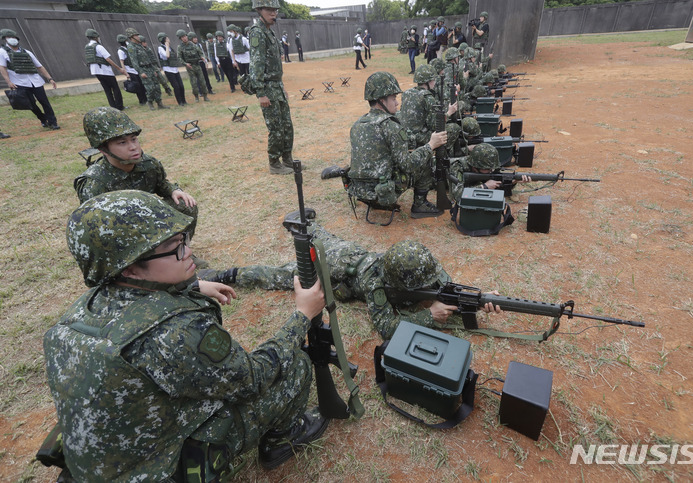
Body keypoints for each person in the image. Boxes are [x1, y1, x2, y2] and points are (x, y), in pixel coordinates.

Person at [45, 189, 328, 481]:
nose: (189, 251)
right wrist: (302, 316)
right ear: (130, 266)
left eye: (184, 239)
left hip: (103, 464)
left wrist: (190, 286)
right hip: (158, 471)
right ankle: (282, 440)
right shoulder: (174, 334)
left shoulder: (78, 313)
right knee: (293, 366)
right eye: (174, 246)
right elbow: (253, 378)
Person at [198, 228, 502, 341]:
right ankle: (223, 275)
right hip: (338, 271)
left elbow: (445, 287)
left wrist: (478, 299)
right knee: (279, 275)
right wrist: (427, 317)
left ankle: (307, 225)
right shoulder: (375, 282)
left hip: (354, 252)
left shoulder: (419, 266)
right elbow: (386, 328)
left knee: (328, 237)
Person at [74, 107, 199, 240]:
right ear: (103, 150)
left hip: (145, 217)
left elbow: (161, 185)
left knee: (185, 204)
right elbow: (96, 229)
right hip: (121, 232)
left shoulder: (149, 164)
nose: (133, 147)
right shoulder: (95, 183)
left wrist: (173, 190)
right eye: (122, 142)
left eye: (133, 139)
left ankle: (177, 251)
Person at [347, 71, 447, 219]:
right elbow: (408, 165)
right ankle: (420, 205)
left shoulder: (357, 124)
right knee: (424, 160)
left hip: (360, 191)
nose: (397, 102)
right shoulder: (390, 126)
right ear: (382, 100)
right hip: (383, 191)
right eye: (393, 98)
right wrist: (430, 145)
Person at [249, 0, 295, 175]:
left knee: (287, 126)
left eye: (275, 10)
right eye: (269, 10)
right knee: (275, 128)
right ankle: (274, 163)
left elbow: (275, 66)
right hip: (267, 88)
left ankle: (287, 159)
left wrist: (282, 87)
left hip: (277, 86)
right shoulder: (257, 33)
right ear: (259, 10)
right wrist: (260, 93)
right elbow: (256, 65)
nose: (273, 13)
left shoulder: (269, 32)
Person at [0, 28, 60, 130]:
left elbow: (39, 66)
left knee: (44, 102)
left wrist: (50, 78)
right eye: (9, 37)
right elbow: (2, 67)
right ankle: (42, 118)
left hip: (35, 81)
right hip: (19, 82)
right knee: (30, 104)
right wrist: (9, 82)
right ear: (5, 39)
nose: (12, 39)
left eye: (13, 37)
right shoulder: (2, 52)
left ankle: (53, 122)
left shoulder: (27, 52)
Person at [399, 64, 457, 150]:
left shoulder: (407, 93)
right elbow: (434, 125)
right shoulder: (427, 97)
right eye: (433, 80)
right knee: (454, 128)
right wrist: (449, 113)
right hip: (419, 138)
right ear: (428, 82)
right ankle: (441, 155)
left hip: (406, 136)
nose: (434, 82)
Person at [449, 142, 531, 201]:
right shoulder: (457, 166)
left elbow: (497, 181)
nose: (491, 171)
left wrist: (512, 181)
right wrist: (484, 187)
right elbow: (458, 196)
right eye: (487, 169)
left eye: (492, 168)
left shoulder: (483, 168)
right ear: (475, 167)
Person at [84, 29, 126, 111]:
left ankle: (113, 107)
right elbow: (108, 59)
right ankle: (120, 106)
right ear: (95, 37)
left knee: (107, 90)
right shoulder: (98, 46)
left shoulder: (87, 47)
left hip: (95, 71)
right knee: (115, 88)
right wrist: (119, 68)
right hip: (105, 71)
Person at [125, 28, 165, 110]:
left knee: (157, 86)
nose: (138, 36)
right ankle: (150, 102)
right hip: (143, 69)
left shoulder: (140, 46)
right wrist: (141, 72)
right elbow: (134, 61)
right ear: (131, 37)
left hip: (150, 68)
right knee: (150, 88)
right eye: (136, 35)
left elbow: (148, 58)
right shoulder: (131, 47)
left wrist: (154, 69)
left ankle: (160, 103)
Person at [177, 29, 209, 103]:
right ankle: (196, 97)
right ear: (180, 38)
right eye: (182, 37)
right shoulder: (180, 47)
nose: (184, 38)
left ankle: (205, 96)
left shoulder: (193, 44)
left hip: (197, 65)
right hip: (190, 67)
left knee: (202, 82)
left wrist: (202, 57)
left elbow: (200, 52)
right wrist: (185, 64)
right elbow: (179, 58)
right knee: (194, 83)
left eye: (185, 36)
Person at [117, 33, 147, 107]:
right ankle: (142, 101)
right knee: (137, 86)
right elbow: (122, 61)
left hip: (136, 69)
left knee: (142, 84)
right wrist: (126, 73)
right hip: (130, 70)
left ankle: (146, 99)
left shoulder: (129, 48)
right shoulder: (121, 50)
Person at [157, 32, 186, 106]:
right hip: (168, 70)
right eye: (167, 38)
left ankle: (184, 100)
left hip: (175, 69)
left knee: (181, 86)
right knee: (176, 87)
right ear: (164, 40)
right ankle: (180, 102)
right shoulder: (161, 48)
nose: (169, 39)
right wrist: (166, 46)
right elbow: (167, 56)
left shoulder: (170, 48)